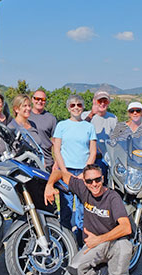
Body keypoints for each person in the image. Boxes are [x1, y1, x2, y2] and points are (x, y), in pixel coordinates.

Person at [44, 164, 132, 275]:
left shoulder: (112, 197)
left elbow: (126, 227)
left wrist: (99, 239)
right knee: (76, 271)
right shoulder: (83, 188)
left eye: (97, 179)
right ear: (84, 182)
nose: (94, 184)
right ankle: (106, 274)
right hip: (94, 245)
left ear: (102, 178)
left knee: (125, 247)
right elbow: (59, 172)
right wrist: (49, 185)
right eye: (89, 181)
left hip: (111, 242)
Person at [53, 95, 97, 244]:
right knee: (65, 209)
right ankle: (64, 242)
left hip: (83, 172)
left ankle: (80, 241)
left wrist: (85, 173)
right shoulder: (62, 125)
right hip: (66, 171)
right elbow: (57, 150)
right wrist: (64, 171)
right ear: (68, 108)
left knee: (82, 210)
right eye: (72, 105)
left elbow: (93, 151)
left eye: (79, 104)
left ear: (83, 107)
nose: (76, 107)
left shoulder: (89, 127)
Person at [82, 90, 117, 181]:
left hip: (104, 159)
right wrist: (92, 114)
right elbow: (80, 130)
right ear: (94, 101)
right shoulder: (85, 115)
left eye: (105, 101)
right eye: (99, 101)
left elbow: (115, 139)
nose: (102, 104)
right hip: (87, 158)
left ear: (108, 103)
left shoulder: (113, 118)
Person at [28, 90, 57, 172]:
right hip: (28, 162)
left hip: (47, 163)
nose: (39, 101)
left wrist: (57, 162)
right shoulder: (26, 116)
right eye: (37, 98)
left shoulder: (51, 118)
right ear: (32, 100)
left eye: (43, 99)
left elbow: (56, 143)